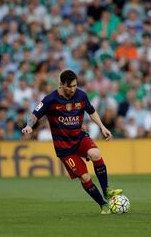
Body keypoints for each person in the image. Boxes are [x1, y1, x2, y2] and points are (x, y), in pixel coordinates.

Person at [21, 69, 123, 214]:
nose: (73, 89)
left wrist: (102, 127)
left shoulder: (81, 95)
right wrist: (29, 126)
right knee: (84, 177)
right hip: (64, 148)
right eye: (70, 86)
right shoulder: (50, 100)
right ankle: (103, 204)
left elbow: (91, 111)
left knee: (95, 153)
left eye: (75, 85)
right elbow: (35, 114)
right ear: (61, 84)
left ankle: (106, 190)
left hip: (80, 138)